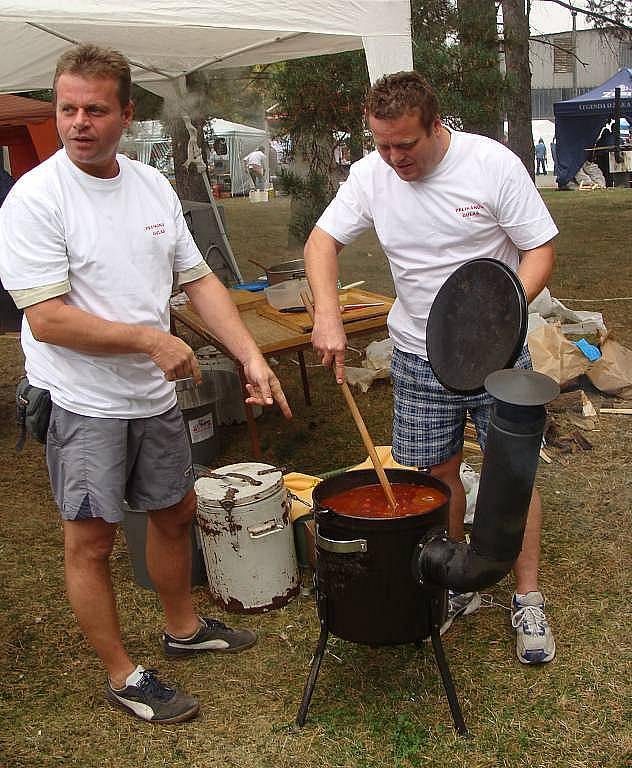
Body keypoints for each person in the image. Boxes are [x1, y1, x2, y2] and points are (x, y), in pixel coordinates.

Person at [0, 44, 292, 724]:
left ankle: (183, 629)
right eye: (67, 108)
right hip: (82, 402)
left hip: (153, 396)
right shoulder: (36, 199)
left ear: (127, 114)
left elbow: (199, 282)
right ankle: (123, 674)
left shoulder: (151, 185)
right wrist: (150, 338)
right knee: (93, 540)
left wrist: (249, 354)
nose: (78, 122)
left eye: (95, 109)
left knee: (174, 512)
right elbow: (44, 319)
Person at [304, 71, 558, 665]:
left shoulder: (490, 165)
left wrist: (497, 317)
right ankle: (455, 579)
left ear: (436, 127)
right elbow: (321, 243)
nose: (394, 159)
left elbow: (539, 247)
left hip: (497, 355)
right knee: (433, 478)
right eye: (382, 145)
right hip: (419, 356)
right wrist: (328, 316)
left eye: (406, 146)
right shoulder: (372, 174)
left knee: (510, 475)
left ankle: (527, 595)